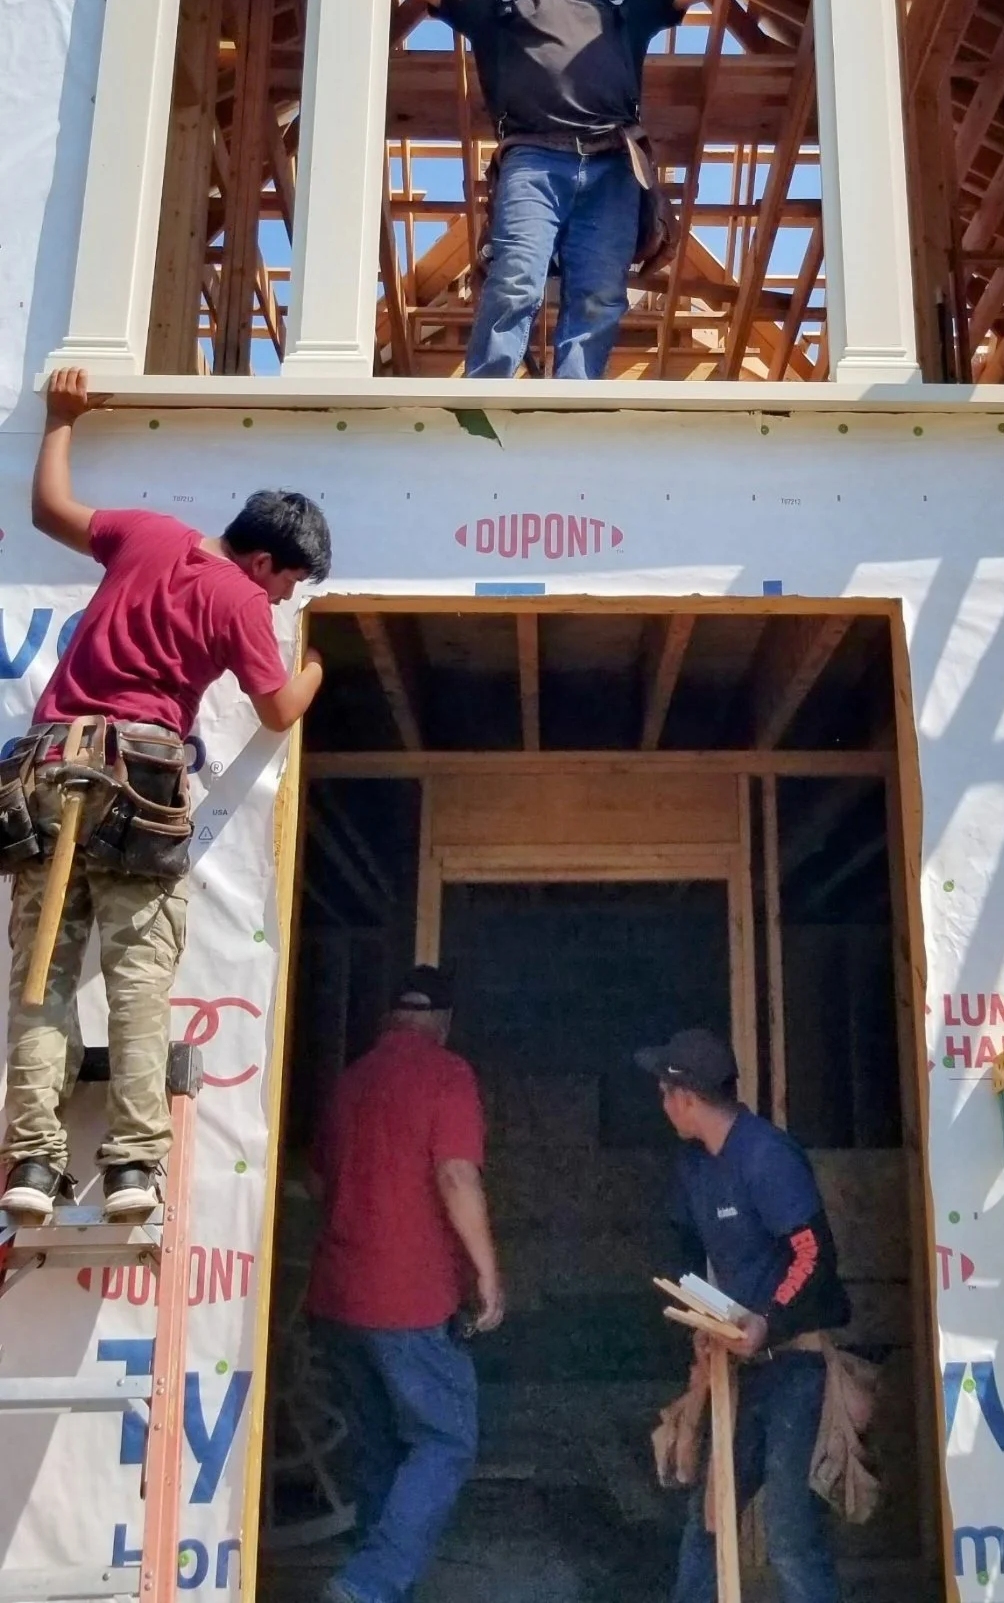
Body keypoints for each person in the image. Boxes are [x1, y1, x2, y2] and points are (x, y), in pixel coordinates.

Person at [1, 368, 330, 1223]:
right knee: (138, 981)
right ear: (262, 560)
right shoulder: (238, 599)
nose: (284, 597)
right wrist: (314, 669)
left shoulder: (148, 533)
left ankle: (31, 1163)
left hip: (49, 766)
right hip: (137, 782)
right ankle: (132, 1169)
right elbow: (276, 710)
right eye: (288, 581)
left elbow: (49, 511)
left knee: (42, 976)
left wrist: (61, 419)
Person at [300, 0, 809, 377]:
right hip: (533, 160)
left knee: (600, 294)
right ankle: (486, 390)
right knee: (515, 278)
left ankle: (574, 399)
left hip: (614, 164)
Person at [308, 964, 504, 1603]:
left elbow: (317, 1178)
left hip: (337, 1296)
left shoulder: (351, 1080)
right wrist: (487, 1273)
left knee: (379, 1449)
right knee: (447, 1439)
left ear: (391, 1017)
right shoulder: (448, 1075)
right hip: (408, 1299)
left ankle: (376, 1587)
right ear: (443, 1022)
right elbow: (456, 1175)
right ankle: (369, 1583)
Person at [637, 1026, 849, 1603]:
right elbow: (684, 1251)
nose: (662, 1105)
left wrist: (767, 1321)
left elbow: (813, 1254)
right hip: (736, 1369)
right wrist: (700, 1322)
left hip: (795, 1367)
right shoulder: (695, 1165)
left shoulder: (766, 1156)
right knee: (709, 1519)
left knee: (789, 1536)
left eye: (664, 1093)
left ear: (686, 1097)